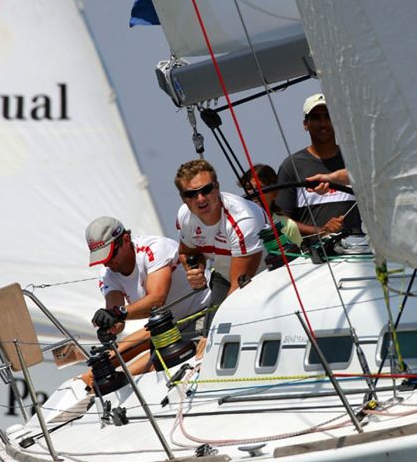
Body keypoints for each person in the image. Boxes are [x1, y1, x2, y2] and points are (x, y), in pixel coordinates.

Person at [83, 216, 211, 382]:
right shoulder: (107, 274)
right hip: (168, 327)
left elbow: (157, 300)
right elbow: (118, 321)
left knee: (150, 369)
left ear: (126, 240)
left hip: (203, 314)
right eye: (102, 259)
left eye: (110, 254)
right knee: (110, 373)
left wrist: (117, 313)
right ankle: (84, 381)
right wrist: (108, 326)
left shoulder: (154, 248)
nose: (108, 263)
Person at [174, 159, 267, 297]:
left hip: (266, 274)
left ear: (217, 187)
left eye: (206, 190)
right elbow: (187, 252)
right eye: (191, 194)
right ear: (182, 198)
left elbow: (238, 288)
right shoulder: (184, 217)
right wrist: (195, 270)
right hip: (224, 276)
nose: (200, 199)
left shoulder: (242, 220)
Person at [277, 93, 361, 237]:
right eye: (316, 117)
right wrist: (321, 231)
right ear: (305, 124)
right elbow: (281, 221)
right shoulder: (291, 165)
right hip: (312, 255)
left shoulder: (357, 159)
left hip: (359, 251)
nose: (323, 123)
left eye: (328, 116)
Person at [237, 164, 302, 248]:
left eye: (260, 188)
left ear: (274, 193)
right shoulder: (237, 225)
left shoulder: (289, 226)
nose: (252, 193)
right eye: (249, 188)